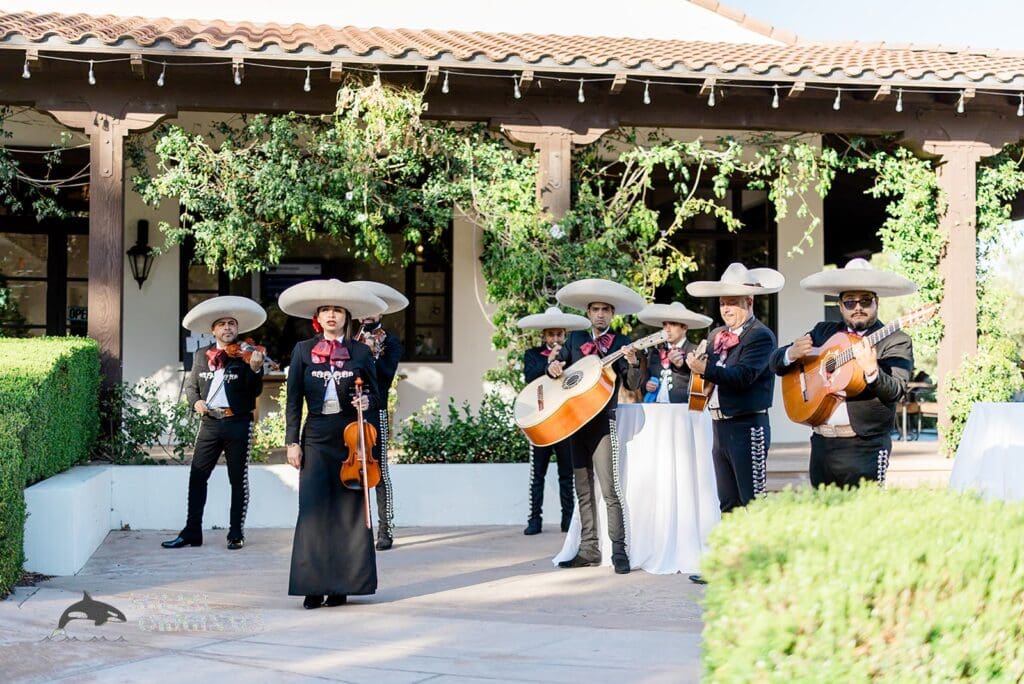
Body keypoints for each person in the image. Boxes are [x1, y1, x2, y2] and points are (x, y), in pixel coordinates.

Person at [278, 279, 388, 609]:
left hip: (350, 437)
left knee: (348, 512)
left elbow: (376, 396)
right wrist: (291, 442)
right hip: (315, 435)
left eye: (337, 310)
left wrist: (367, 402)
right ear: (317, 317)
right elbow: (293, 400)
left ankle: (341, 586)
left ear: (346, 317)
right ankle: (313, 587)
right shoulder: (302, 350)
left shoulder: (361, 352)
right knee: (312, 510)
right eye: (325, 310)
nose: (331, 315)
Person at [769, 258, 915, 487]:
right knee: (823, 508)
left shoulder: (895, 340)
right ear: (840, 306)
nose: (858, 307)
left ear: (876, 302)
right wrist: (790, 353)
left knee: (863, 508)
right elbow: (775, 363)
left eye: (865, 301)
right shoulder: (823, 332)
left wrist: (872, 371)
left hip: (865, 445)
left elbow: (896, 390)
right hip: (822, 443)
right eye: (850, 302)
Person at [548, 279, 646, 574]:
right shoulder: (575, 340)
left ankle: (619, 551)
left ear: (612, 314)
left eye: (605, 310)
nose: (600, 314)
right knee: (583, 490)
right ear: (588, 313)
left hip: (604, 423)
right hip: (575, 422)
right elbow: (558, 369)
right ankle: (588, 550)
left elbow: (632, 384)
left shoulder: (621, 343)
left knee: (610, 490)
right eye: (595, 309)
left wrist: (633, 363)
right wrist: (552, 367)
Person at [163, 296, 266, 551]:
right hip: (210, 423)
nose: (227, 328)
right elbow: (191, 386)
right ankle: (191, 532)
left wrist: (255, 369)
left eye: (232, 323)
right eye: (222, 324)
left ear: (237, 328)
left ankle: (235, 533)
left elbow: (254, 391)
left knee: (237, 480)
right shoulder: (202, 354)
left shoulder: (247, 355)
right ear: (213, 330)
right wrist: (196, 402)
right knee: (197, 476)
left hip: (237, 422)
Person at [685, 263, 783, 517]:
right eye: (722, 303)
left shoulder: (761, 336)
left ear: (749, 301)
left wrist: (705, 369)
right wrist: (695, 367)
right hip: (719, 426)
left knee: (753, 503)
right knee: (727, 503)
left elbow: (743, 376)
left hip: (747, 425)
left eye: (732, 302)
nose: (725, 309)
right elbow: (708, 376)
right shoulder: (716, 334)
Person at [517, 306, 591, 535]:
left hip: (563, 421)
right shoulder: (532, 354)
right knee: (537, 474)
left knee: (566, 474)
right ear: (544, 335)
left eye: (559, 334)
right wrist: (547, 363)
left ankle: (567, 520)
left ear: (564, 334)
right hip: (540, 422)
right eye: (551, 334)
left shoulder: (571, 355)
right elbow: (529, 377)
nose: (555, 338)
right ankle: (534, 520)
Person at [351, 280, 408, 551]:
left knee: (380, 470)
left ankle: (385, 529)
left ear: (381, 311)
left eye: (372, 308)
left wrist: (373, 353)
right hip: (350, 411)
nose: (367, 314)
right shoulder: (350, 340)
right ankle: (355, 529)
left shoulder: (391, 341)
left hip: (377, 410)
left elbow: (385, 376)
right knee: (351, 469)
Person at [626, 301, 713, 403]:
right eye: (665, 324)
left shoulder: (696, 351)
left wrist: (682, 366)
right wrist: (646, 385)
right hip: (655, 407)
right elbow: (644, 381)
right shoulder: (655, 353)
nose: (667, 329)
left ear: (684, 328)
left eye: (673, 324)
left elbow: (704, 383)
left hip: (683, 408)